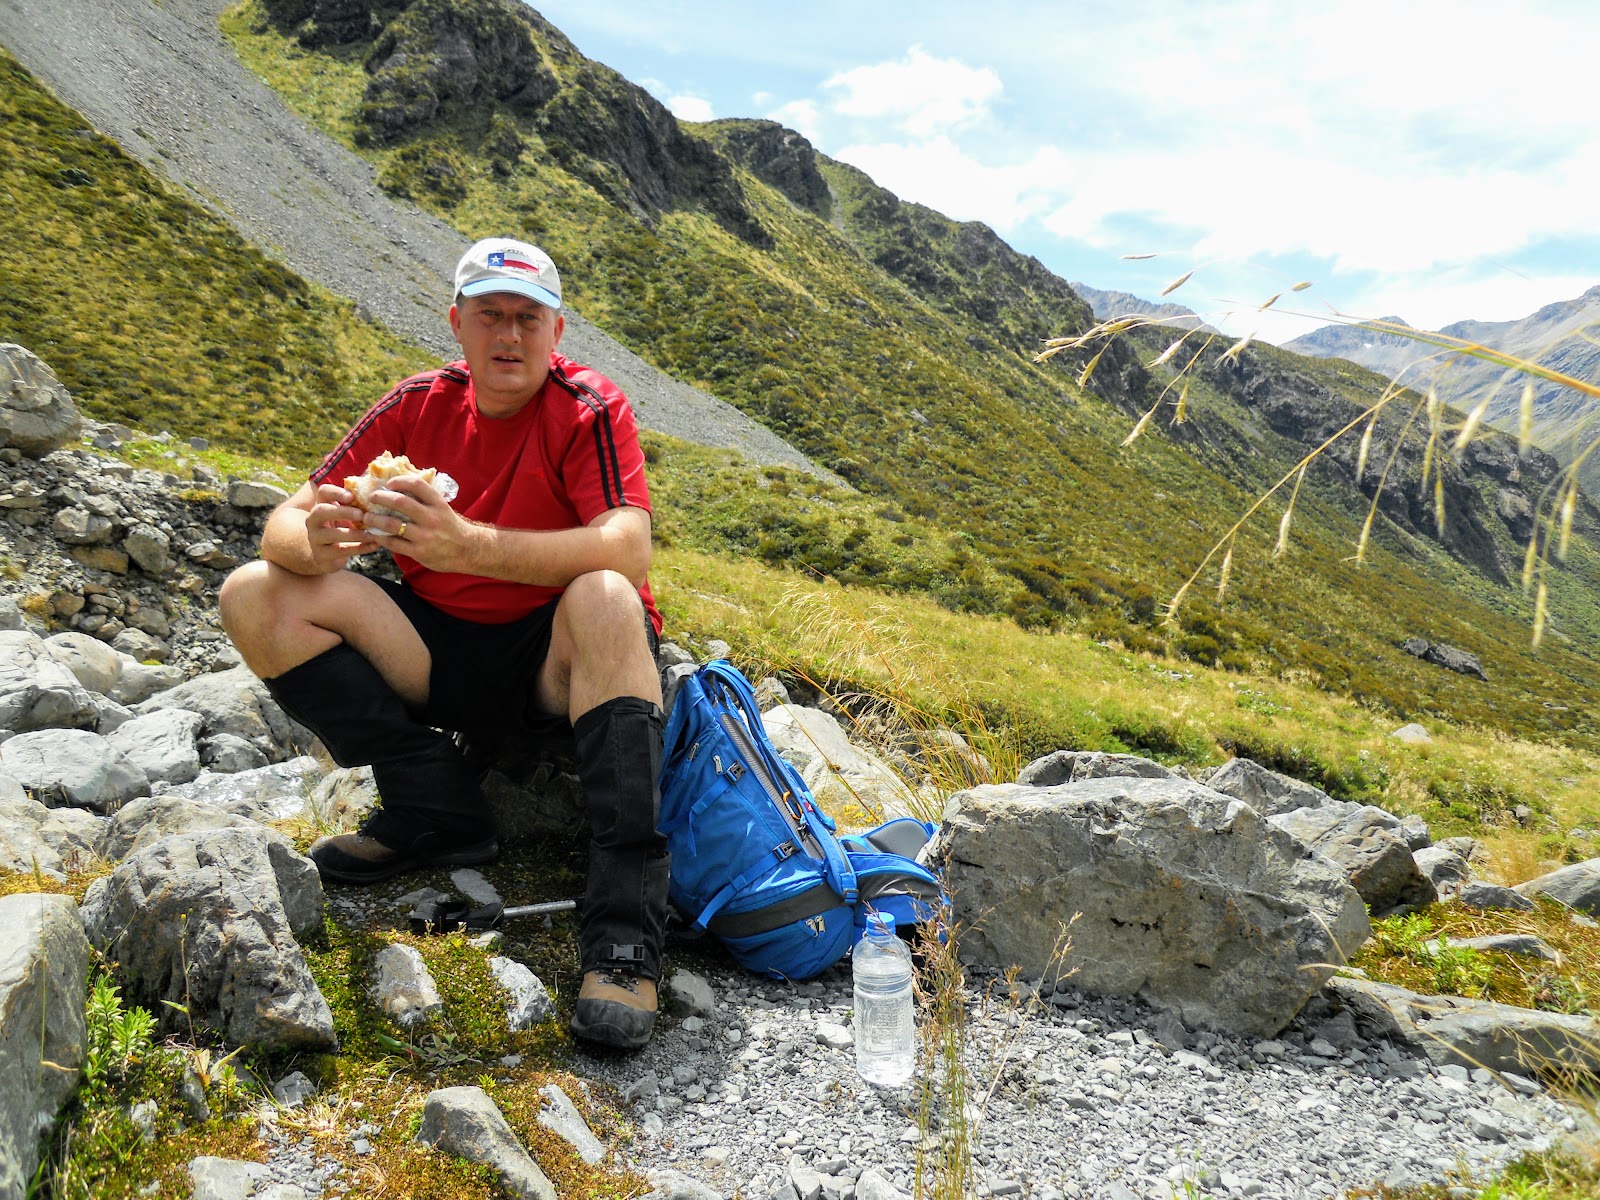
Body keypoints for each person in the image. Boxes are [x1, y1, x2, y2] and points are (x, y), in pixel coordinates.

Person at [218, 237, 669, 1050]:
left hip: (552, 662)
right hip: (437, 650)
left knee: (607, 596)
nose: (509, 335)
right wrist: (311, 540)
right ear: (456, 323)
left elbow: (628, 546)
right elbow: (283, 521)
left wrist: (471, 547)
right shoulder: (417, 404)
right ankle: (435, 810)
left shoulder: (588, 407)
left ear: (557, 331)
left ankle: (625, 936)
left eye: (528, 318)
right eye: (490, 315)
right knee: (255, 592)